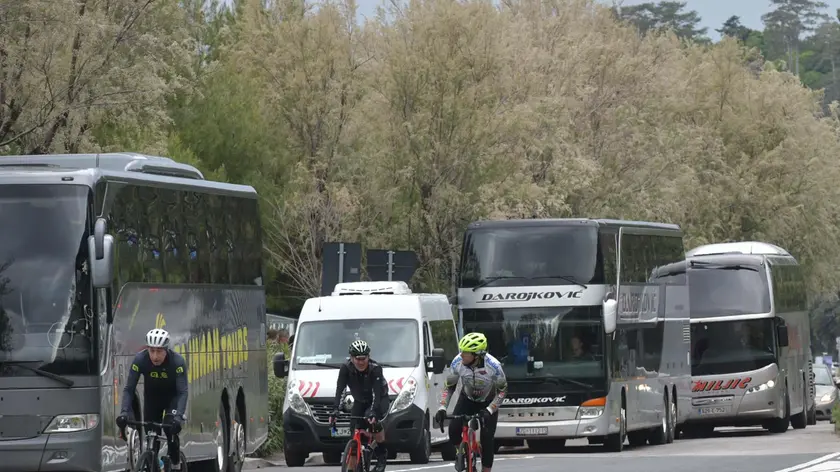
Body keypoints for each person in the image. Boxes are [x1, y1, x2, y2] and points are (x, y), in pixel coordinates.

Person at [117, 328, 188, 470]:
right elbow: (129, 389)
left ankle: (175, 463)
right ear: (147, 349)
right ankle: (152, 461)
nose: (155, 356)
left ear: (166, 350)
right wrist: (124, 412)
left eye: (159, 351)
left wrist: (178, 418)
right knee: (151, 436)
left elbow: (182, 392)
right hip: (152, 400)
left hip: (172, 400)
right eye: (152, 351)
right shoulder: (140, 360)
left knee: (170, 429)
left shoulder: (177, 362)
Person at [434, 333, 507, 472]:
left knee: (487, 439)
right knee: (453, 430)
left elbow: (502, 391)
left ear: (477, 355)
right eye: (461, 351)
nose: (461, 355)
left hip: (488, 402)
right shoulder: (457, 363)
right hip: (467, 398)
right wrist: (442, 407)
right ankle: (460, 452)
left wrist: (490, 410)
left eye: (465, 353)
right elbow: (450, 386)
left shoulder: (494, 366)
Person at [329, 340, 389, 472]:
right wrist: (335, 410)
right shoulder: (345, 368)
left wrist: (374, 412)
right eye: (358, 359)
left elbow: (376, 395)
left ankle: (382, 455)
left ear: (368, 356)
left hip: (379, 399)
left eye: (364, 358)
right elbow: (341, 390)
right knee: (354, 434)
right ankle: (351, 467)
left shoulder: (375, 368)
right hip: (359, 401)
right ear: (351, 358)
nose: (361, 362)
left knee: (372, 420)